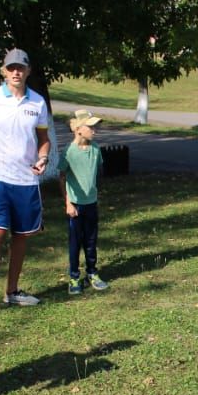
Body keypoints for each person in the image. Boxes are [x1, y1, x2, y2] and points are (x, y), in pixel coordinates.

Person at [0, 48, 52, 318]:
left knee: (22, 236)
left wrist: (43, 157)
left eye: (21, 68)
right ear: (3, 71)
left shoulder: (37, 102)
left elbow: (44, 139)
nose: (16, 72)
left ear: (28, 71)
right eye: (11, 68)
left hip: (26, 180)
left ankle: (12, 292)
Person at [58, 109, 110, 295]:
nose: (94, 131)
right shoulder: (68, 152)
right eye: (91, 127)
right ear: (79, 129)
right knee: (75, 242)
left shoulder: (95, 149)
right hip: (76, 206)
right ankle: (73, 277)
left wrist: (96, 193)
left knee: (91, 240)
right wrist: (68, 203)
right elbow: (62, 177)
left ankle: (92, 273)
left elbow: (98, 172)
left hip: (91, 203)